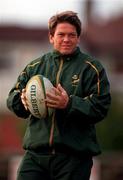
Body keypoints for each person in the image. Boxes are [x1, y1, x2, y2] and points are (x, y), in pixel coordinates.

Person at [7, 11, 111, 180]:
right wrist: (22, 101)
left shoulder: (92, 68)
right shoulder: (34, 67)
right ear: (51, 37)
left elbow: (101, 106)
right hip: (35, 156)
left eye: (72, 35)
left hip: (74, 159)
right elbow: (12, 98)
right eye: (61, 34)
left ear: (78, 38)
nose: (66, 39)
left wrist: (69, 104)